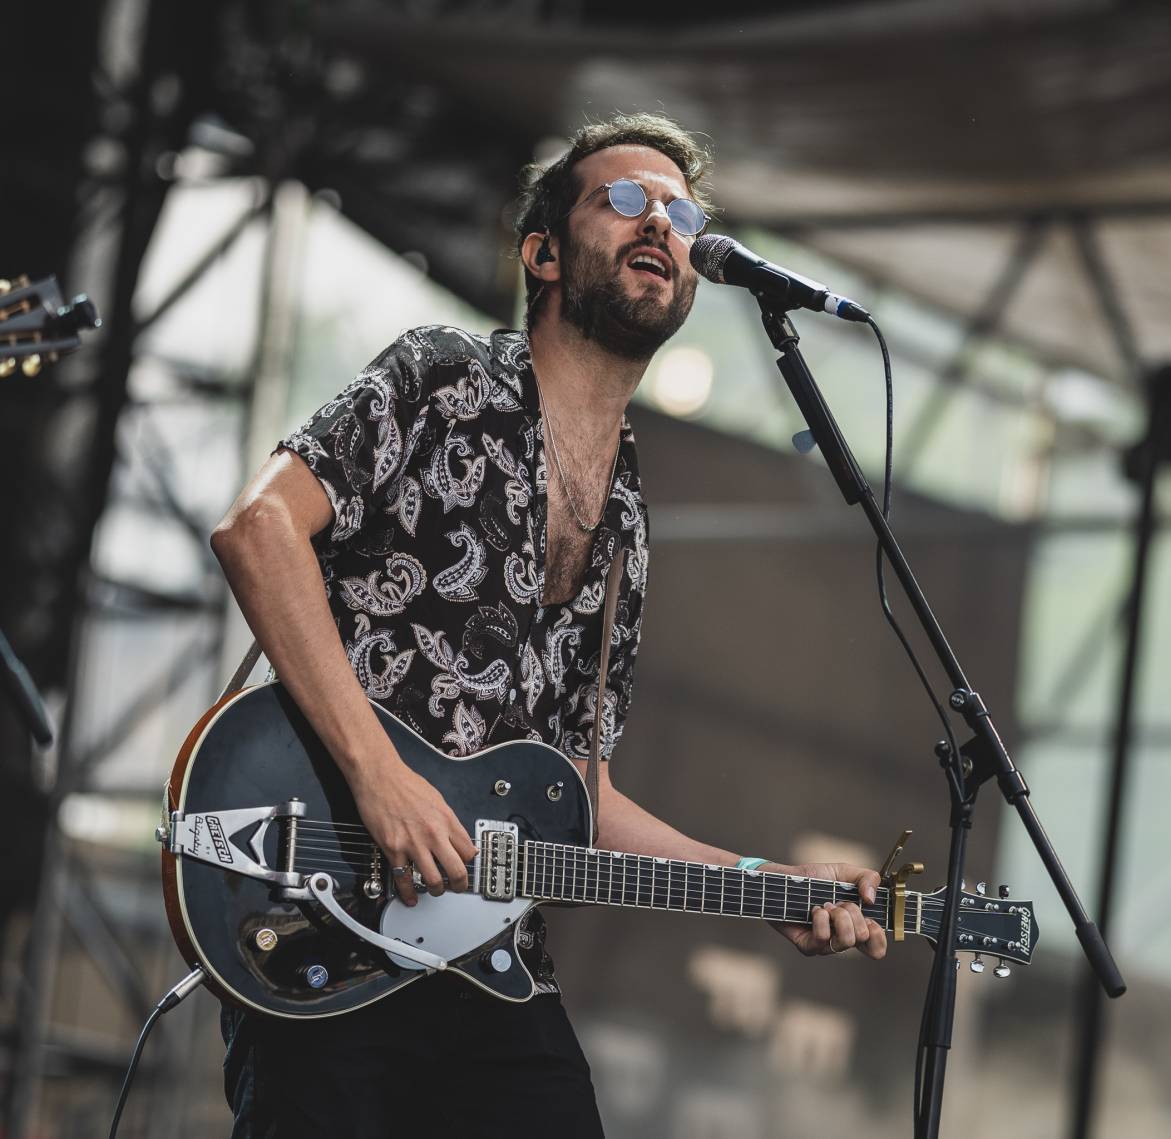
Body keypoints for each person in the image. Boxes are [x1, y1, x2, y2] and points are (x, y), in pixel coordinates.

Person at [207, 112, 887, 1138]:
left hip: (487, 956)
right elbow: (258, 529)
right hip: (329, 907)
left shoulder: (627, 514)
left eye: (680, 209)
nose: (659, 219)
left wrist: (766, 882)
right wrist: (383, 780)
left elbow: (584, 788)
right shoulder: (443, 376)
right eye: (623, 199)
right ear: (545, 253)